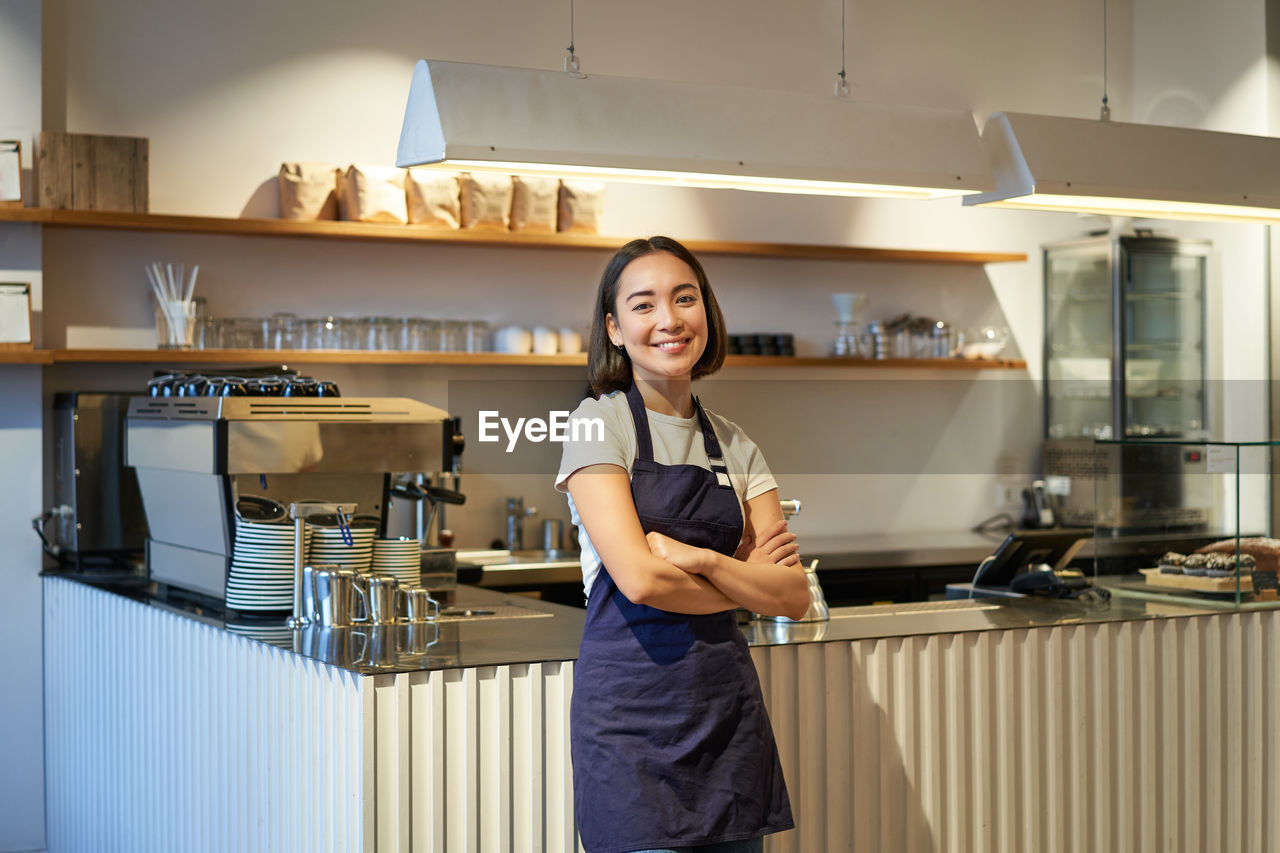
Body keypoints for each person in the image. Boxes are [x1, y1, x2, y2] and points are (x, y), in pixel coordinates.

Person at [555, 236, 810, 853]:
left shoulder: (735, 442)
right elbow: (640, 581)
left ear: (707, 313)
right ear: (614, 328)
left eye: (684, 299)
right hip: (631, 727)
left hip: (726, 719)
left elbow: (794, 596)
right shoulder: (599, 423)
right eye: (643, 306)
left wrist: (699, 561)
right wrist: (742, 581)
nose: (669, 320)